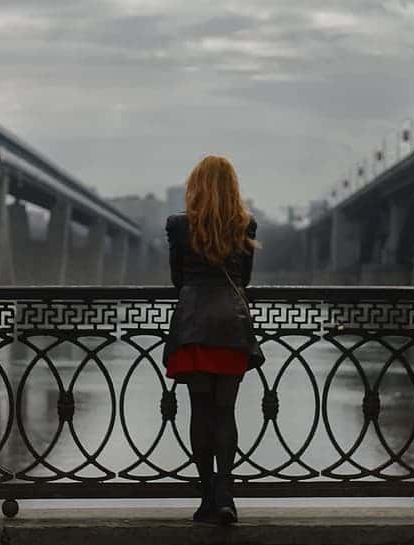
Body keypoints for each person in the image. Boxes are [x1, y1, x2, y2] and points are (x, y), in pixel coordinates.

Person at [162, 155, 264, 525]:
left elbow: (178, 280)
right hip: (231, 329)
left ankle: (207, 498)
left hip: (193, 327)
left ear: (196, 186)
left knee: (200, 411)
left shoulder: (178, 226)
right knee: (226, 411)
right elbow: (244, 281)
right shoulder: (245, 225)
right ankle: (226, 495)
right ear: (232, 188)